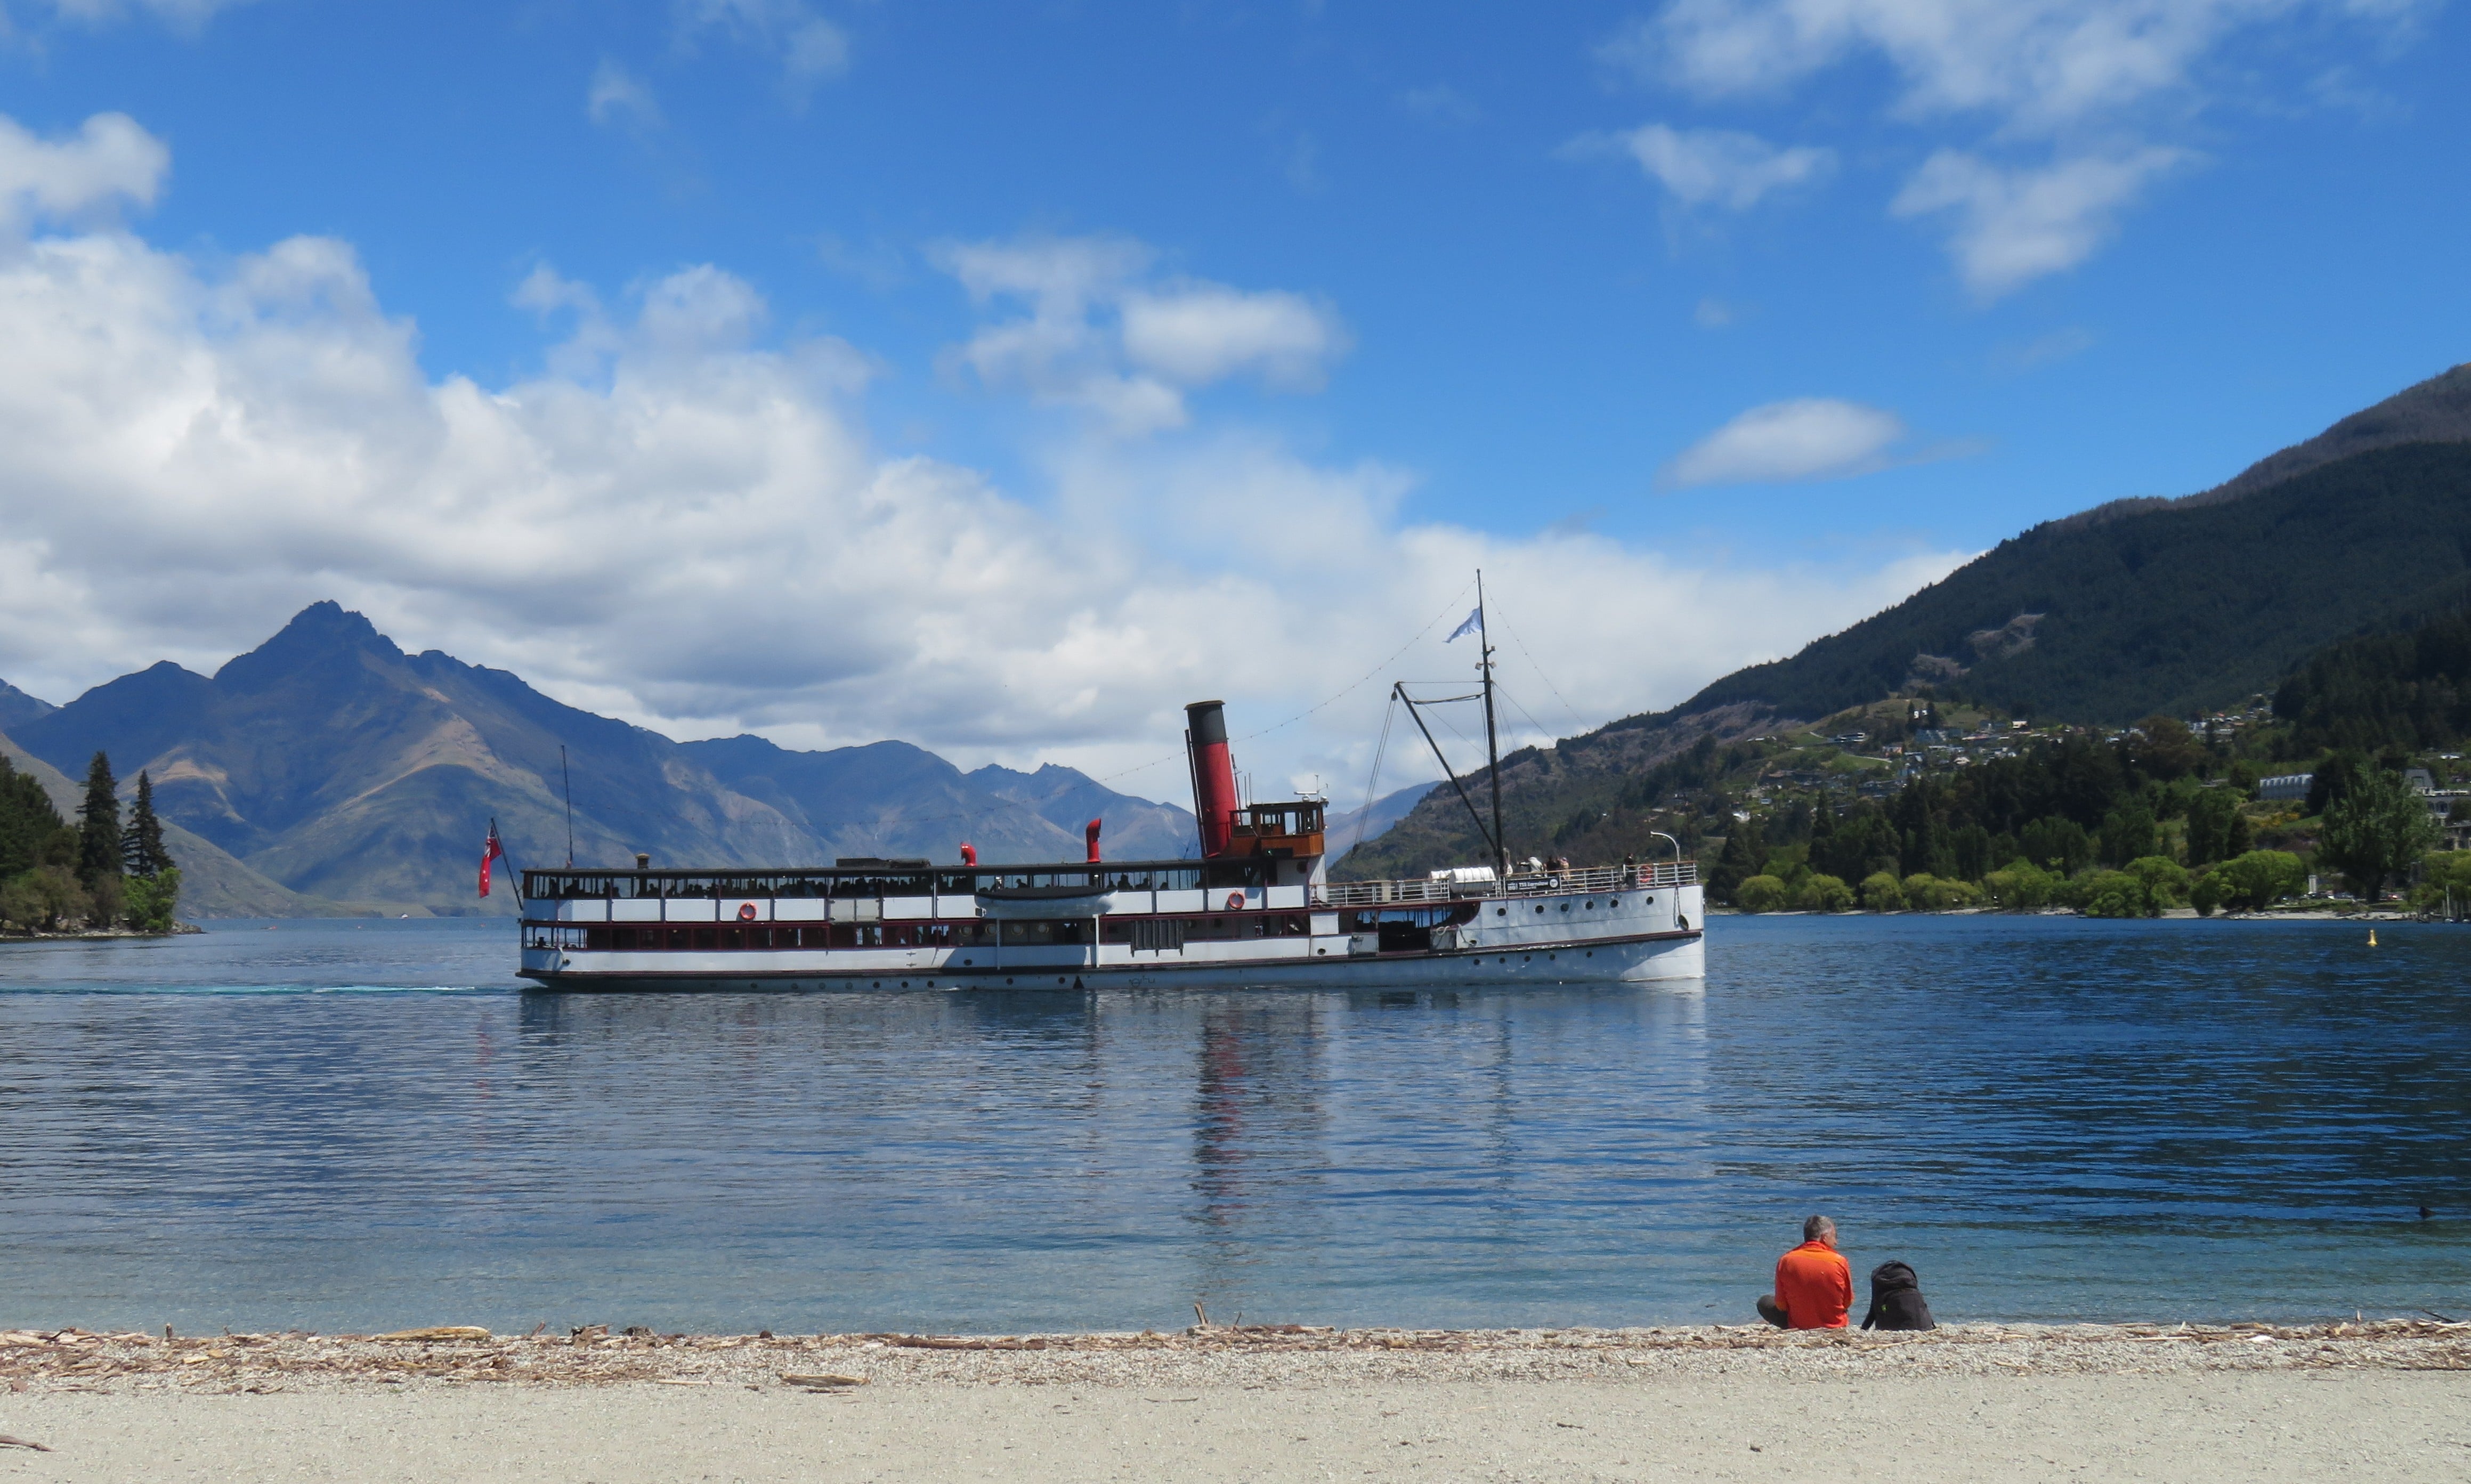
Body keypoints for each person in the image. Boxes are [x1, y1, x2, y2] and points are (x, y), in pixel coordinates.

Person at [1757, 1215, 1852, 1329]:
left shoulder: (1786, 1260)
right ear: (1824, 1237)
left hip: (1800, 1325)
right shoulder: (1839, 1261)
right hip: (1835, 1325)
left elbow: (1781, 1306)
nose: (1836, 1242)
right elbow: (1848, 1302)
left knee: (1764, 1302)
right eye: (1835, 1236)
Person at [1860, 1260, 1935, 1331]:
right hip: (1924, 1326)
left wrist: (1864, 1328)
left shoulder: (1879, 1281)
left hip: (1895, 1327)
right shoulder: (1909, 1279)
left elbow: (1873, 1311)